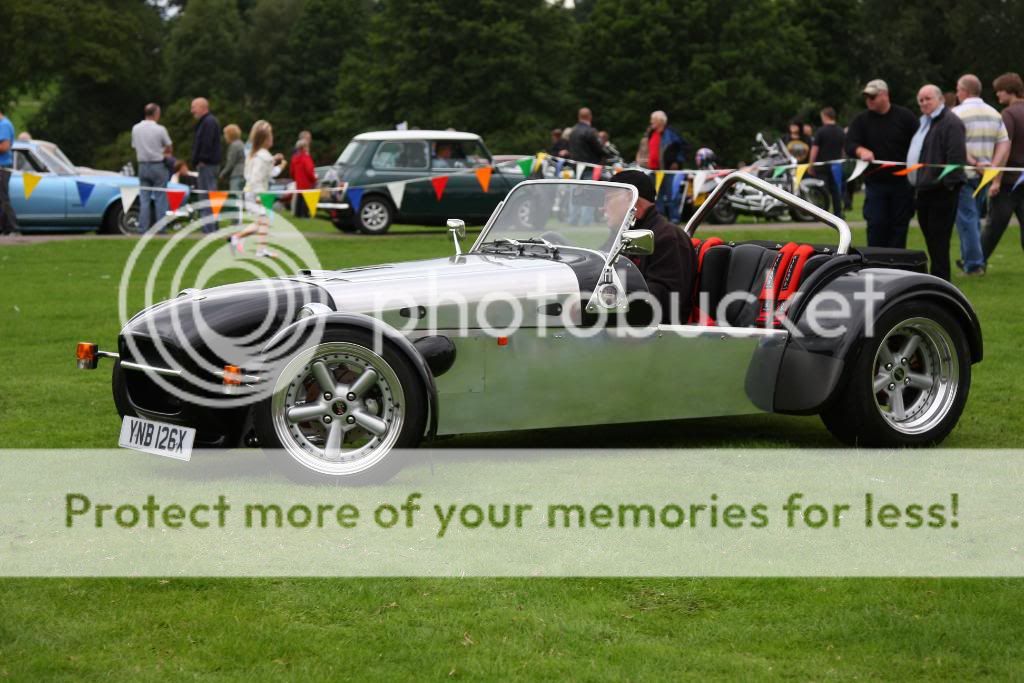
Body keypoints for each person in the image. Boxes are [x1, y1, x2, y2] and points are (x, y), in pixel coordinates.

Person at [608, 169, 696, 324]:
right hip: (624, 323)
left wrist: (607, 297)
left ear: (630, 198)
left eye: (608, 199)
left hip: (653, 335)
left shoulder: (667, 237)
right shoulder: (624, 234)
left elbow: (662, 301)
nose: (602, 208)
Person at [845, 79, 919, 248]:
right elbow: (850, 144)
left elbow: (920, 141)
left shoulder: (905, 117)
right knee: (876, 224)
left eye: (873, 96)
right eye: (867, 97)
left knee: (899, 226)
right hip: (875, 182)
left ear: (885, 95)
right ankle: (875, 264)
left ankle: (896, 266)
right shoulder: (861, 120)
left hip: (902, 182)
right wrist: (861, 150)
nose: (869, 100)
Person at [907, 84, 967, 282]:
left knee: (939, 241)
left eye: (928, 99)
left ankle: (941, 281)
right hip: (924, 190)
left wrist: (947, 184)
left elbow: (956, 157)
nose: (924, 103)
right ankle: (937, 279)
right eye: (921, 100)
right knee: (932, 240)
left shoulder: (951, 122)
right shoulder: (924, 122)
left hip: (941, 191)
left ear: (940, 99)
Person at [953, 74, 1010, 275]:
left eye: (958, 90)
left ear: (964, 91)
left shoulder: (956, 113)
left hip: (966, 173)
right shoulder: (995, 113)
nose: (957, 94)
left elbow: (956, 145)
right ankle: (971, 259)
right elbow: (1004, 143)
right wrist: (993, 167)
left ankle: (974, 264)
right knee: (974, 217)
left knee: (967, 219)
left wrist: (974, 163)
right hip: (985, 175)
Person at [981, 72, 1024, 261]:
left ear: (1009, 91)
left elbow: (1004, 147)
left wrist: (996, 180)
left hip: (1008, 181)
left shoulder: (1008, 114)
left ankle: (975, 262)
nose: (997, 95)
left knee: (994, 225)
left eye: (999, 91)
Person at [230, 120, 287, 258]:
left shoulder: (256, 155)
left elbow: (267, 173)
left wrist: (276, 163)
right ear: (265, 139)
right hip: (256, 193)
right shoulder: (263, 156)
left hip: (251, 191)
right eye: (271, 135)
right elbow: (257, 177)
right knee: (264, 221)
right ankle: (260, 250)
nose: (272, 137)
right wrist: (258, 196)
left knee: (261, 223)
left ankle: (237, 238)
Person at [130, 103, 173, 233]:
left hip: (143, 165)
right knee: (160, 197)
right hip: (158, 165)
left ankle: (143, 227)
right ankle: (160, 228)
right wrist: (165, 153)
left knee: (144, 199)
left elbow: (134, 146)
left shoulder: (135, 128)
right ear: (156, 114)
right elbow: (169, 146)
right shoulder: (160, 129)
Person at [645, 110, 687, 222]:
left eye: (653, 119)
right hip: (654, 170)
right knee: (656, 195)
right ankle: (660, 219)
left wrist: (677, 162)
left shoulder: (671, 133)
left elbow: (682, 148)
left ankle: (674, 218)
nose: (651, 122)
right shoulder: (651, 133)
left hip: (668, 169)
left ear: (660, 121)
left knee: (671, 194)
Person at [190, 97, 222, 232]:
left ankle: (209, 227)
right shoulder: (208, 122)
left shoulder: (208, 123)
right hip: (208, 164)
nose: (192, 111)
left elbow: (206, 143)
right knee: (208, 196)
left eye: (194, 107)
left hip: (207, 165)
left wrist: (201, 159)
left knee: (207, 196)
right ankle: (210, 226)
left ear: (203, 107)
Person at [808, 107, 846, 218]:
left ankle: (822, 213)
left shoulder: (821, 131)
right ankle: (838, 213)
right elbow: (844, 149)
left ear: (825, 116)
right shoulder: (841, 131)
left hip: (822, 166)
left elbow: (815, 149)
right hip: (836, 166)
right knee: (836, 191)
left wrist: (811, 164)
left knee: (822, 190)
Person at [0, 107, 19, 235]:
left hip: (2, 168)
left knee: (3, 199)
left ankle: (13, 228)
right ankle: (5, 229)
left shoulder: (4, 125)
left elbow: (4, 147)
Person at [290, 137, 317, 218]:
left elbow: (291, 171)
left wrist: (295, 179)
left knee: (299, 197)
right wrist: (314, 179)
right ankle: (304, 214)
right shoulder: (306, 158)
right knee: (305, 199)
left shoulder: (294, 158)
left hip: (298, 181)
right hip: (306, 182)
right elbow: (309, 170)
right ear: (305, 147)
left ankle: (298, 214)